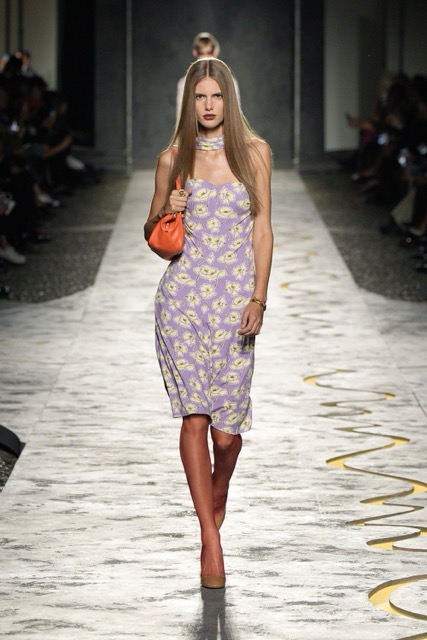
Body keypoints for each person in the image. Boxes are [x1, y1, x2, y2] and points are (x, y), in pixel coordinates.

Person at [145, 57, 273, 589]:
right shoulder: (172, 158)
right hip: (182, 304)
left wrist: (259, 298)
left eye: (216, 96)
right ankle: (209, 539)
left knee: (226, 436)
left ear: (229, 99)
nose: (208, 105)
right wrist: (167, 208)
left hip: (235, 309)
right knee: (194, 419)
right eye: (199, 97)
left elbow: (263, 230)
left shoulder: (256, 153)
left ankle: (218, 495)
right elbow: (154, 234)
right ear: (189, 102)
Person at [176, 32, 240, 118]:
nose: (205, 57)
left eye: (209, 52)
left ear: (216, 51)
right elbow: (181, 114)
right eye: (201, 53)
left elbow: (235, 111)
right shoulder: (184, 83)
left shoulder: (229, 80)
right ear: (195, 52)